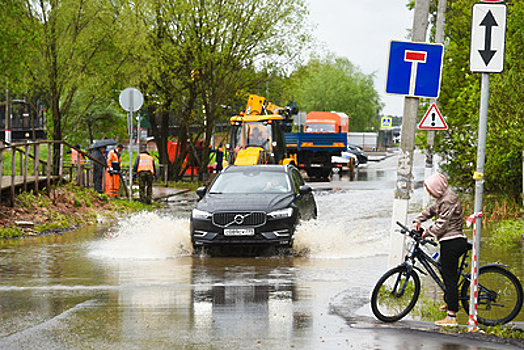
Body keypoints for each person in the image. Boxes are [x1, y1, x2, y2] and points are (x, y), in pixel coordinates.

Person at [413, 172, 468, 327]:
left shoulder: (448, 200)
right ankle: (452, 300)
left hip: (452, 242)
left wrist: (426, 232)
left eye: (430, 190)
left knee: (449, 279)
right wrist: (418, 219)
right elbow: (431, 210)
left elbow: (442, 224)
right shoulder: (442, 198)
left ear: (437, 187)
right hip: (449, 241)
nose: (429, 193)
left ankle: (451, 317)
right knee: (442, 267)